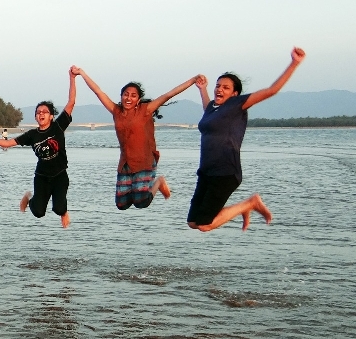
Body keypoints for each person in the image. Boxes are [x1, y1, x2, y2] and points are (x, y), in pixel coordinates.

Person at [188, 47, 306, 232]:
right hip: (206, 172)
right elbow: (207, 110)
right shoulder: (212, 108)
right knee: (193, 223)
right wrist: (202, 89)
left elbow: (271, 90)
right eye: (218, 86)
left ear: (235, 94)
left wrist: (294, 63)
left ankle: (249, 204)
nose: (220, 89)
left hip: (225, 172)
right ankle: (246, 206)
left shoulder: (237, 105)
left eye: (225, 87)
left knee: (204, 225)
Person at [73, 68, 205, 210]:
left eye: (133, 96)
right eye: (126, 94)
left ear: (138, 100)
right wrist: (82, 73)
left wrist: (193, 80)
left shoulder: (145, 110)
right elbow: (98, 91)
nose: (129, 98)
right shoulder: (116, 111)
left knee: (141, 202)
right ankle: (138, 188)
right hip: (126, 162)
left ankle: (159, 182)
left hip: (145, 160)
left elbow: (169, 95)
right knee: (121, 204)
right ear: (121, 96)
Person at [0, 68, 77, 227]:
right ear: (36, 116)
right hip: (42, 177)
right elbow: (7, 143)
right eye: (38, 112)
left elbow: (71, 102)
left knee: (59, 208)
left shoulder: (58, 127)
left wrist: (72, 77)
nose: (41, 114)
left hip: (60, 175)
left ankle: (63, 212)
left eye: (45, 111)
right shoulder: (32, 135)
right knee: (38, 212)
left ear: (51, 116)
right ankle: (29, 199)